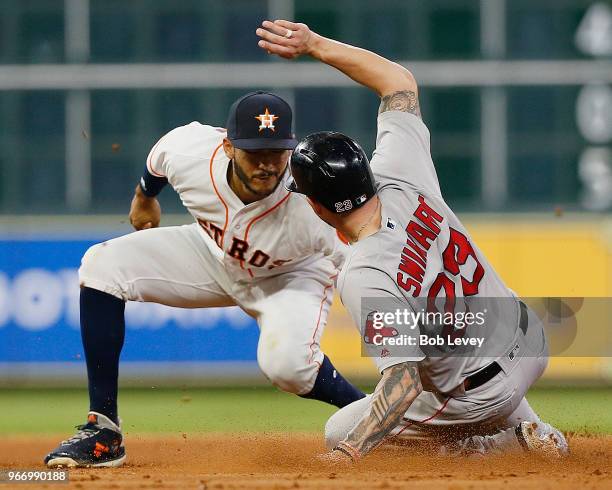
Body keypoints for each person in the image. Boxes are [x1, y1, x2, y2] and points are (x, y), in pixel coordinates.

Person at [256, 20, 569, 462]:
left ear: (318, 206)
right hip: (530, 341)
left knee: (341, 427)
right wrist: (314, 44)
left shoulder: (365, 273)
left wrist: (348, 453)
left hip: (481, 395)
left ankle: (500, 440)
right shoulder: (400, 169)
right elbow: (398, 82)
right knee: (450, 351)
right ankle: (528, 424)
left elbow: (402, 383)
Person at [44, 91, 365, 468]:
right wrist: (144, 196)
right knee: (101, 264)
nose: (266, 165)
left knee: (288, 367)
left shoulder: (311, 201)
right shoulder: (192, 153)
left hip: (291, 277)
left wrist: (416, 340)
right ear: (228, 147)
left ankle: (380, 416)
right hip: (212, 257)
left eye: (276, 153)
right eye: (254, 153)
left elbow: (367, 265)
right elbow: (158, 157)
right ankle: (104, 431)